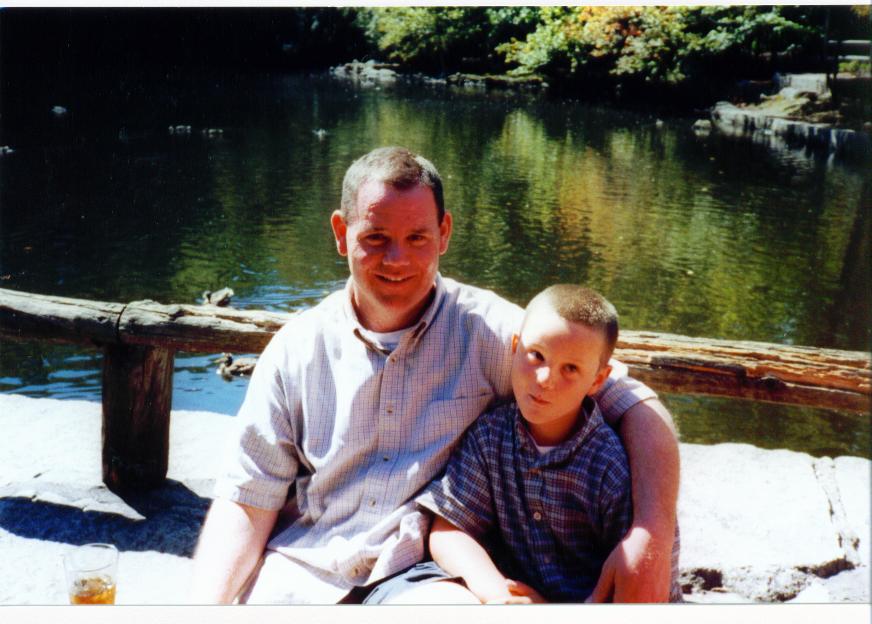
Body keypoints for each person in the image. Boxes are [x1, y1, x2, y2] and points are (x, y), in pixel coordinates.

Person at [189, 146, 680, 604]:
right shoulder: (295, 349)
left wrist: (648, 538)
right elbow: (247, 503)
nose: (397, 259)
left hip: (417, 576)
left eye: (417, 238)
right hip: (302, 568)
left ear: (444, 232)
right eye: (375, 237)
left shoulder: (496, 334)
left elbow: (636, 405)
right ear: (341, 233)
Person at [415, 284, 682, 603]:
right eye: (536, 355)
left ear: (597, 380)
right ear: (515, 347)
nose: (545, 379)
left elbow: (640, 578)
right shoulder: (490, 437)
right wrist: (499, 595)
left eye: (570, 368)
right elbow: (449, 529)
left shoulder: (609, 466)